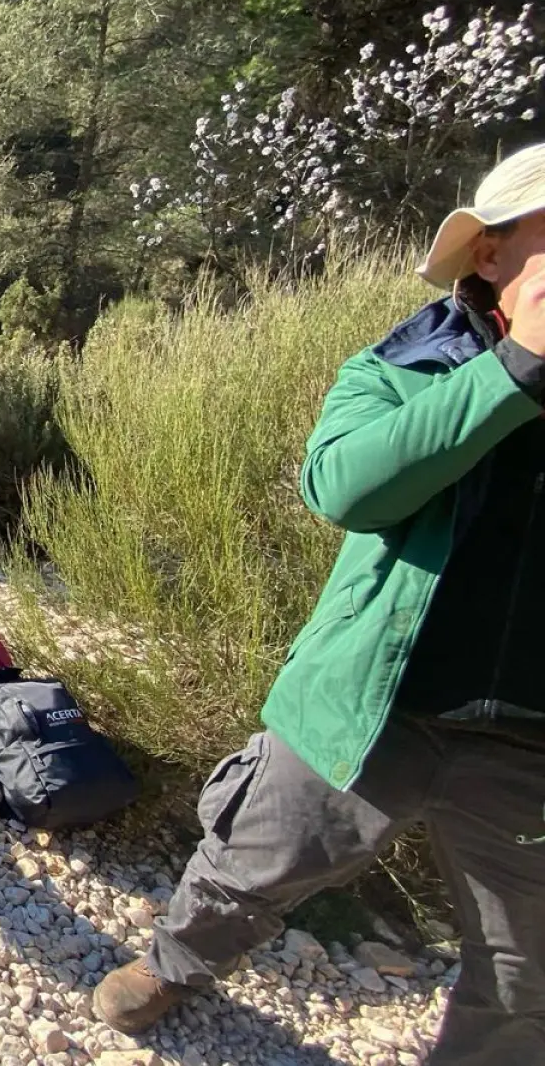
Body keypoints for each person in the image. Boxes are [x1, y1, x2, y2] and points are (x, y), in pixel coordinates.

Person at [91, 143, 545, 1061]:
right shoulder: (403, 367)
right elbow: (344, 488)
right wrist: (517, 371)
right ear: (490, 256)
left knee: (524, 970)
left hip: (531, 740)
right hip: (368, 707)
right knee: (249, 865)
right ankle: (174, 967)